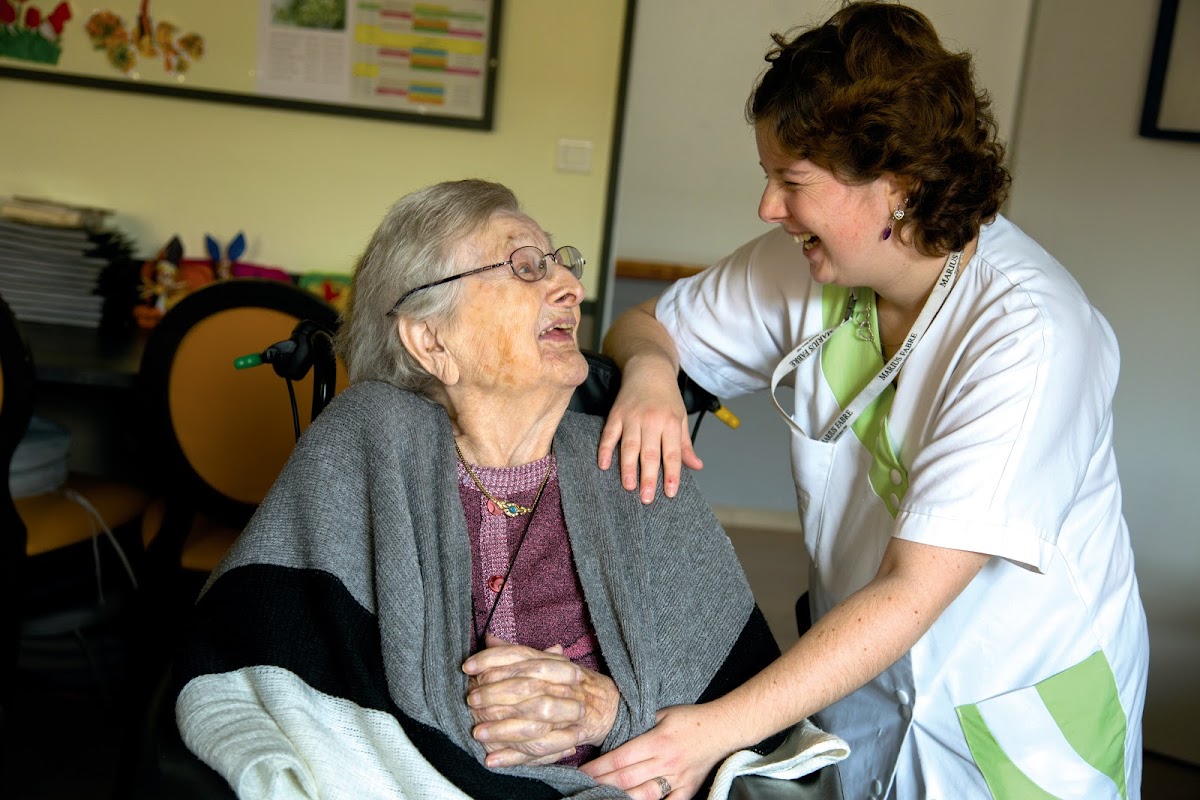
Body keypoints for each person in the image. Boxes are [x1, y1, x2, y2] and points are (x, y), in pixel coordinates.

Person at [584, 3, 1149, 799]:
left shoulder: (1031, 332)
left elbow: (912, 589)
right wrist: (649, 378)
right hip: (859, 675)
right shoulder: (812, 265)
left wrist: (712, 731)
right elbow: (646, 327)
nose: (768, 208)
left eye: (792, 182)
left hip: (1016, 706)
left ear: (899, 185)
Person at [173, 179, 808, 799]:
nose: (571, 287)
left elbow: (736, 704)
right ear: (431, 339)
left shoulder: (628, 462)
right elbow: (260, 666)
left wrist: (609, 712)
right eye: (526, 267)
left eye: (561, 263)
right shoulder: (368, 442)